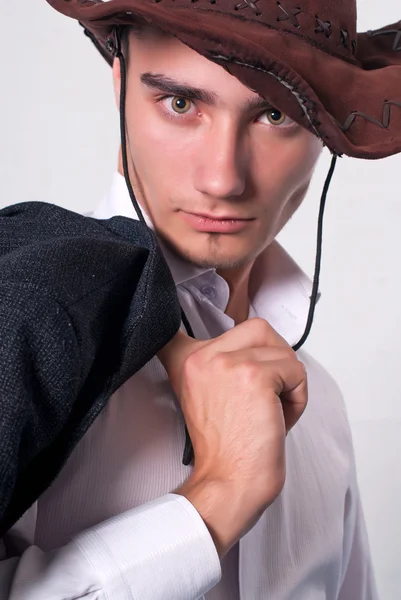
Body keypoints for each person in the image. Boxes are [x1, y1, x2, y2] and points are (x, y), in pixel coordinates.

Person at [1, 0, 400, 597]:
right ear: (119, 84)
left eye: (275, 113)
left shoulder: (323, 410)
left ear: (324, 129)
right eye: (180, 104)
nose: (223, 178)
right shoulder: (23, 311)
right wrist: (213, 504)